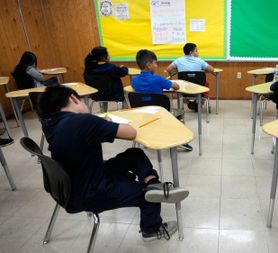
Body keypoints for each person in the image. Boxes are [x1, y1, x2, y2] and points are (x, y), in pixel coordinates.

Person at [37, 85, 189, 241]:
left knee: (134, 154)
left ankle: (154, 183)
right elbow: (131, 133)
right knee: (148, 197)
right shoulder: (84, 122)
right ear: (73, 98)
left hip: (75, 183)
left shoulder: (51, 125)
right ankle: (151, 229)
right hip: (92, 192)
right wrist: (99, 123)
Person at [132, 49, 193, 152]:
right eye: (155, 63)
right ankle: (179, 140)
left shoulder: (134, 80)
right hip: (160, 113)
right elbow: (176, 87)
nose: (156, 65)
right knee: (179, 112)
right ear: (149, 65)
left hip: (143, 113)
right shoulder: (158, 79)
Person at [166, 43, 214, 111]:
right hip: (198, 88)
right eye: (196, 51)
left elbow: (168, 69)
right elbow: (212, 69)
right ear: (191, 52)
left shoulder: (179, 60)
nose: (197, 52)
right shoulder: (199, 60)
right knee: (206, 84)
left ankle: (188, 101)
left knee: (183, 87)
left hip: (184, 88)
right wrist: (203, 70)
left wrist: (177, 71)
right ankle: (199, 100)